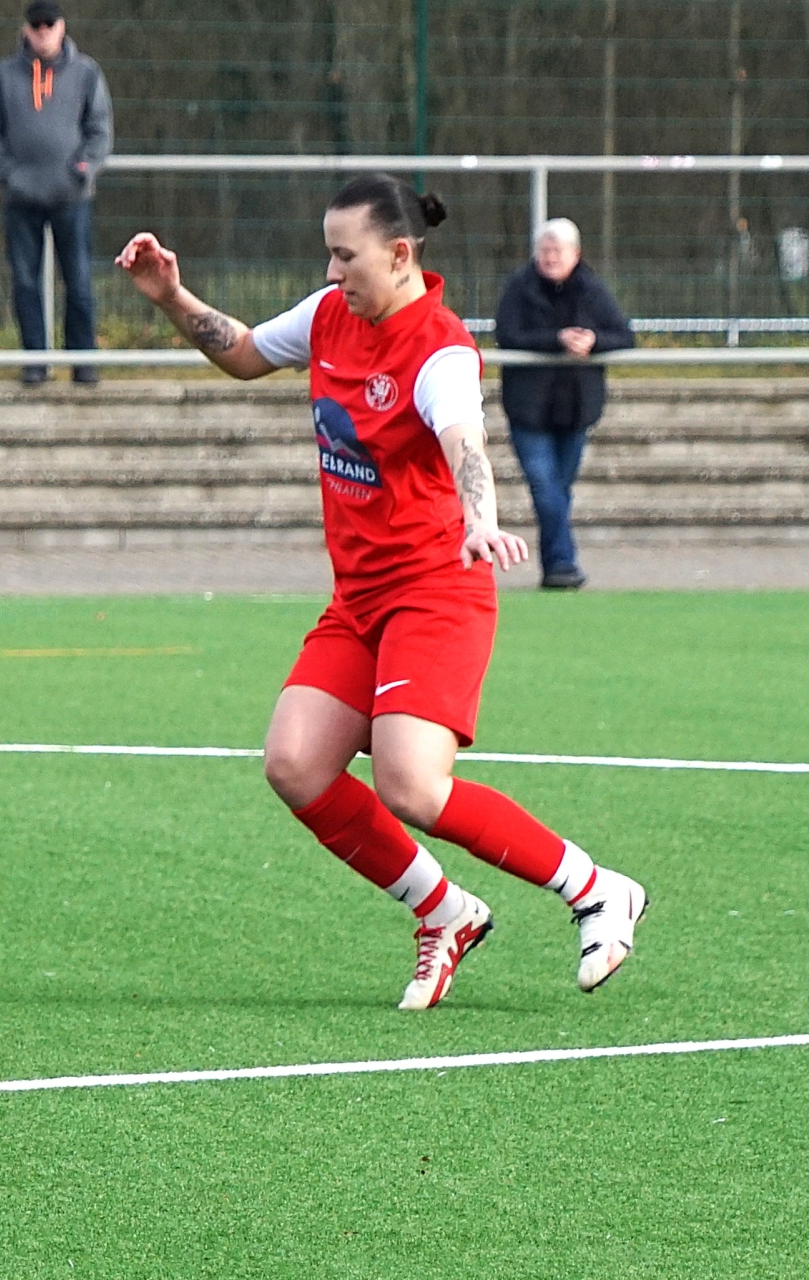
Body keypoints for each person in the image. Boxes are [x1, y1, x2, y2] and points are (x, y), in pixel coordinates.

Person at [117, 174, 648, 1010]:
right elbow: (244, 353)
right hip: (359, 598)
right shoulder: (329, 316)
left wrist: (481, 519)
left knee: (412, 785)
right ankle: (445, 912)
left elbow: (464, 440)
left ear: (400, 255)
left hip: (437, 590)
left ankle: (596, 889)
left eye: (346, 256)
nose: (332, 273)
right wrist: (172, 297)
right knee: (295, 765)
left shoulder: (438, 349)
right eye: (328, 255)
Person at [0, 0, 112, 387]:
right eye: (35, 25)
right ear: (25, 29)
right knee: (25, 282)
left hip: (72, 199)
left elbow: (100, 130)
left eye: (48, 24)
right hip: (21, 199)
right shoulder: (3, 76)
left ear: (61, 27)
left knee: (80, 283)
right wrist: (9, 175)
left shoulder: (86, 73)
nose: (42, 31)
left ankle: (83, 363)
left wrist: (81, 170)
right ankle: (35, 363)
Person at [493, 218, 634, 590]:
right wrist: (556, 339)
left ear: (575, 254)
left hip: (575, 409)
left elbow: (623, 335)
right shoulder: (519, 288)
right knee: (545, 486)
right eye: (545, 250)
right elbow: (507, 334)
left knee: (559, 490)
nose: (550, 257)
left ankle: (555, 566)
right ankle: (562, 564)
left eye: (557, 251)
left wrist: (593, 341)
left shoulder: (592, 289)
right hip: (529, 410)